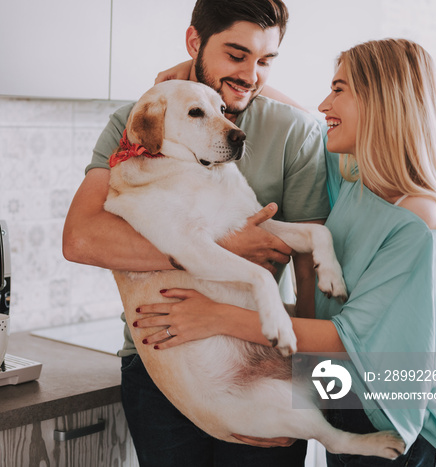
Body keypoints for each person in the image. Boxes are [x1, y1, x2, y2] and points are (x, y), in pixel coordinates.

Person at [134, 38, 436, 466]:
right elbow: (312, 120)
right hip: (355, 410)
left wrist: (217, 317)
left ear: (381, 102)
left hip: (405, 432)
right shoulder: (355, 182)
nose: (323, 103)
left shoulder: (418, 220)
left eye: (338, 89)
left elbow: (349, 340)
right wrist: (201, 80)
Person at [63, 0, 331, 464]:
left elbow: (308, 272)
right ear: (195, 42)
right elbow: (82, 239)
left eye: (265, 60)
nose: (250, 75)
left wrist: (304, 385)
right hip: (160, 358)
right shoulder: (137, 122)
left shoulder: (294, 133)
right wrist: (213, 247)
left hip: (258, 356)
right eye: (235, 54)